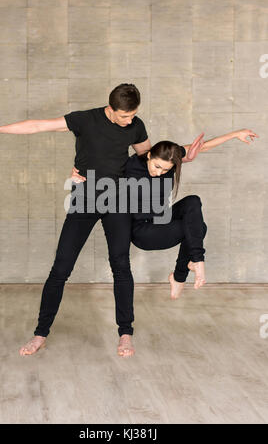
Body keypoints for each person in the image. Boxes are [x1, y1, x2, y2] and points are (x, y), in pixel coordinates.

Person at [0, 83, 203, 358]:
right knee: (61, 268)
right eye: (125, 116)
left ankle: (125, 333)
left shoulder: (136, 126)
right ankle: (40, 333)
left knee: (120, 265)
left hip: (118, 202)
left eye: (133, 115)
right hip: (86, 197)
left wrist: (185, 157)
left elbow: (153, 157)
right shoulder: (85, 120)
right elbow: (38, 126)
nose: (131, 121)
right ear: (112, 109)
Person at [70, 127, 259, 347]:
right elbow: (100, 168)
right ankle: (191, 266)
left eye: (165, 170)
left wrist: (235, 134)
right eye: (156, 166)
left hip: (163, 220)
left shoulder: (170, 157)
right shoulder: (130, 166)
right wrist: (76, 174)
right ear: (149, 155)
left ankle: (181, 274)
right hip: (143, 232)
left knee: (193, 204)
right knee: (197, 228)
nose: (159, 172)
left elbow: (202, 147)